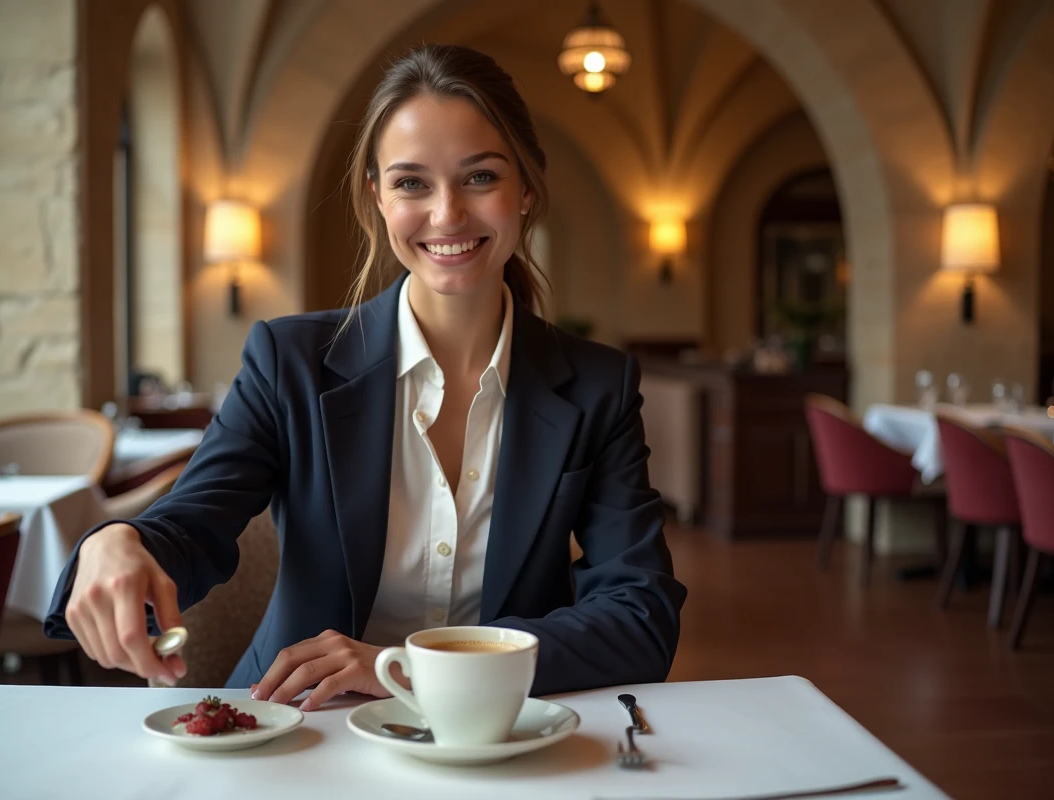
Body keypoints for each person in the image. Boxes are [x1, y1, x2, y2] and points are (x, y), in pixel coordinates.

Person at [44, 43, 686, 710]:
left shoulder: (598, 386)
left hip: (500, 733)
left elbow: (641, 614)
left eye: (480, 178)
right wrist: (120, 540)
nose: (446, 215)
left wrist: (409, 667)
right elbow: (192, 523)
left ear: (526, 189)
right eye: (412, 183)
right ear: (376, 197)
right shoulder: (287, 361)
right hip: (299, 725)